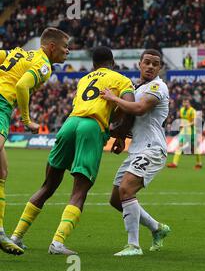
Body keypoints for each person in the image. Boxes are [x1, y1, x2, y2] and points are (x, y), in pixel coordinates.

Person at [10, 46, 135, 255]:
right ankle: (57, 243)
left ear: (94, 65)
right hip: (91, 127)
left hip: (69, 124)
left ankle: (16, 236)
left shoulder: (84, 79)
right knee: (79, 190)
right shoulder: (121, 79)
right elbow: (130, 106)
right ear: (112, 62)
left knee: (48, 185)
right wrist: (121, 134)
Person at [0, 27, 70, 256]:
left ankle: (0, 232)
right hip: (2, 104)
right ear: (51, 47)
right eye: (64, 47)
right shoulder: (43, 64)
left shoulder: (19, 52)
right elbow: (22, 86)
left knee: (2, 173)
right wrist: (28, 120)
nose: (67, 52)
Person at [100, 49, 171, 256]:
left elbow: (139, 109)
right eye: (147, 62)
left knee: (126, 190)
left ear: (160, 68)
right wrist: (121, 137)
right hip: (137, 149)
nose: (150, 66)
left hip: (152, 149)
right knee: (116, 199)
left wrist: (114, 98)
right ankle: (157, 228)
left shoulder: (158, 87)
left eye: (155, 64)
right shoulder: (137, 87)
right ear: (139, 64)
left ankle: (134, 246)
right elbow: (130, 119)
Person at [167, 98, 202, 169]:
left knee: (195, 148)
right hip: (184, 131)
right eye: (184, 102)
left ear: (189, 103)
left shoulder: (193, 111)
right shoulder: (182, 110)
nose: (185, 104)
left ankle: (199, 163)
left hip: (191, 132)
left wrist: (185, 125)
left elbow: (194, 123)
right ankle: (174, 163)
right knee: (179, 145)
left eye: (186, 102)